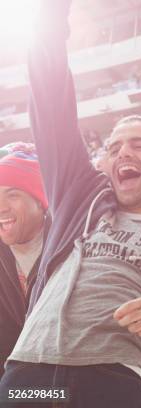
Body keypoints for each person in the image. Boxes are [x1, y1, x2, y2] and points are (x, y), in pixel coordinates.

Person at [0, 1, 141, 406]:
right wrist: (51, 17)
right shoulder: (77, 200)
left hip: (109, 381)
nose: (123, 153)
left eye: (139, 145)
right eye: (114, 146)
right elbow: (50, 98)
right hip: (27, 373)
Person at [0, 148, 49, 378]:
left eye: (13, 194)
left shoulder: (72, 249)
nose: (1, 206)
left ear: (40, 201)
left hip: (68, 388)